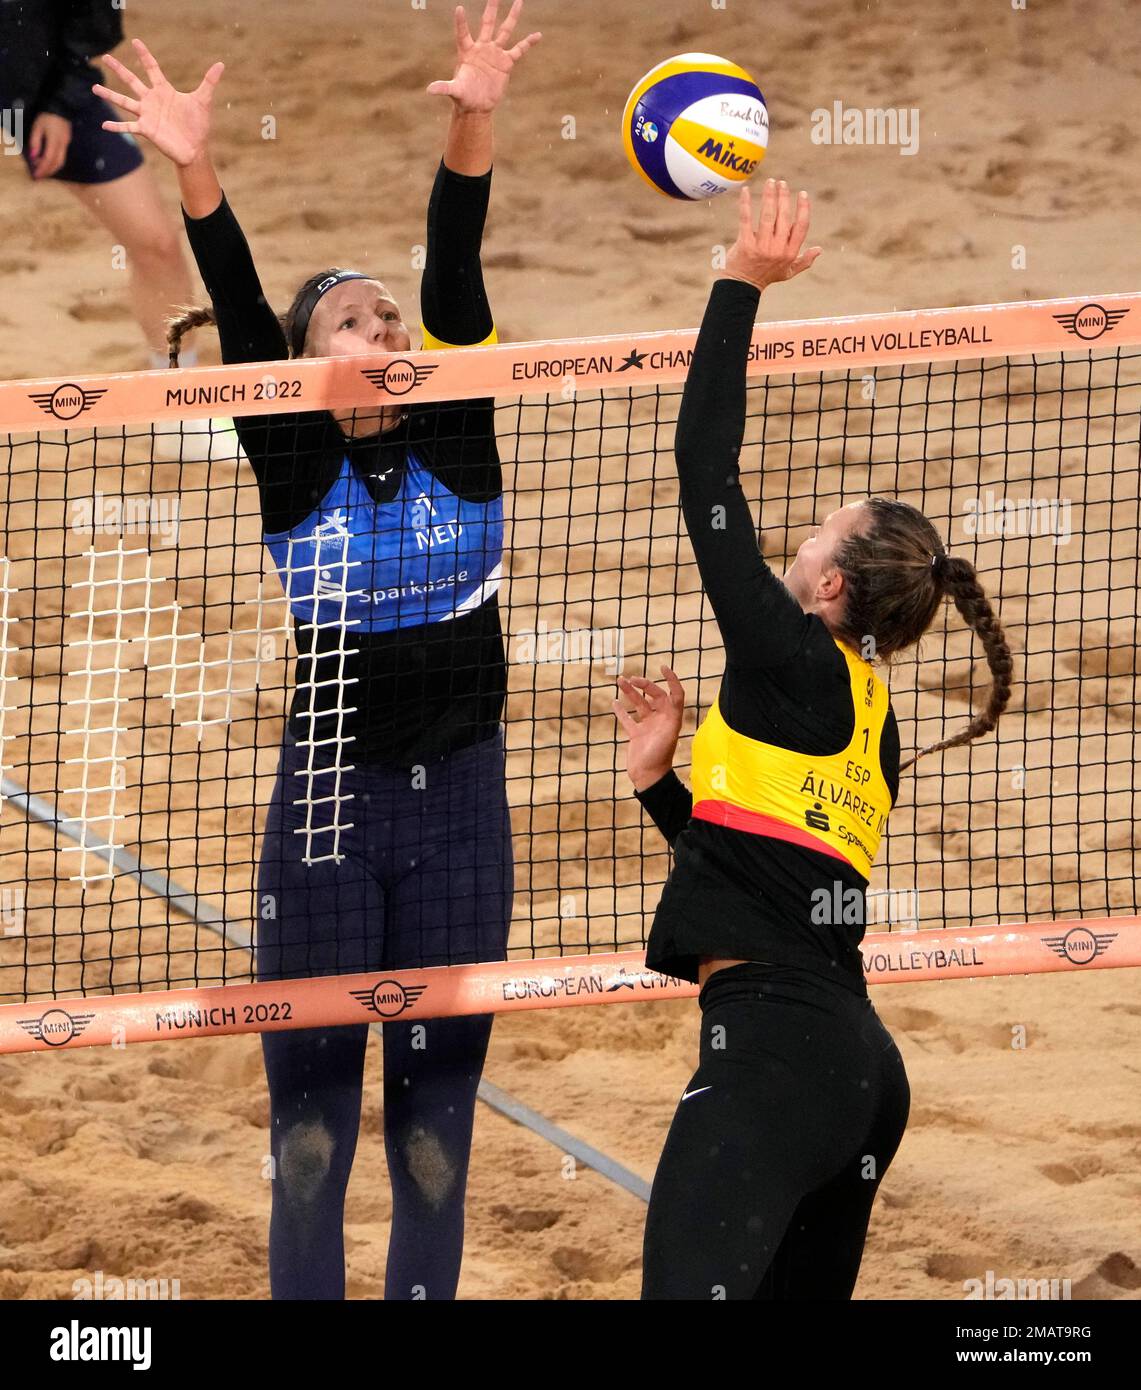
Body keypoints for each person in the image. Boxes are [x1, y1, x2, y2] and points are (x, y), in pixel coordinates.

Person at [94, 0, 541, 1300]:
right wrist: (192, 165)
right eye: (351, 319)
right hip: (328, 819)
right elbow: (232, 300)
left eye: (391, 319)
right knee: (307, 1141)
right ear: (301, 366)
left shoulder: (461, 427)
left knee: (435, 1143)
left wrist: (472, 112)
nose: (387, 328)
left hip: (461, 816)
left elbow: (454, 265)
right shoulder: (289, 457)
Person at [614, 178, 1014, 1299]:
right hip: (857, 1074)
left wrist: (737, 284)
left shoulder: (787, 655)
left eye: (817, 527)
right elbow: (768, 868)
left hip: (777, 1060)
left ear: (827, 583)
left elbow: (704, 472)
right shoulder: (869, 717)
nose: (798, 533)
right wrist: (663, 784)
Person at [0, 1, 197, 372]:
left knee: (158, 245)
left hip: (43, 81)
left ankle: (178, 406)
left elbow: (94, 14)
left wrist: (61, 103)